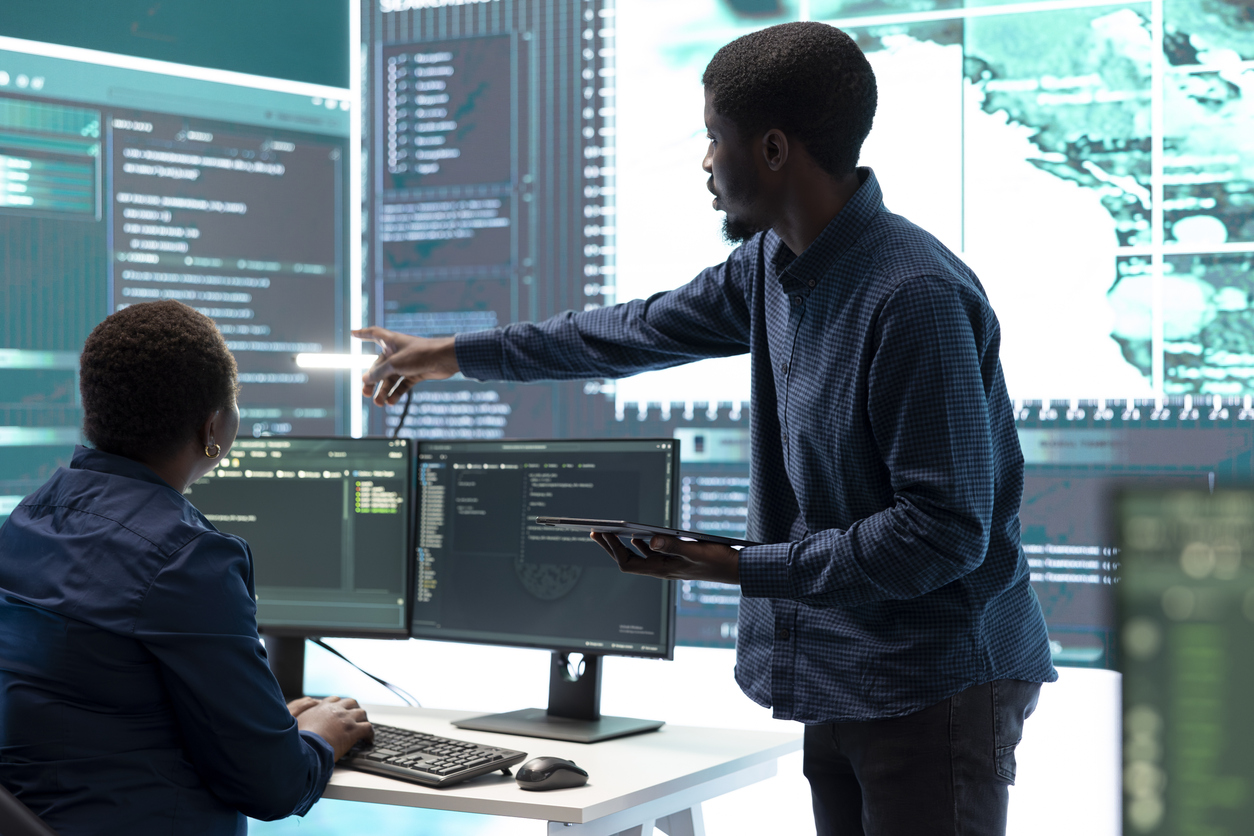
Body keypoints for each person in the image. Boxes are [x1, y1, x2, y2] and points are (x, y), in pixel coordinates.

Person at [353, 21, 1056, 836]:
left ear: (773, 149)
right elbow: (630, 332)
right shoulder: (772, 265)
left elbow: (941, 534)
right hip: (845, 668)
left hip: (935, 683)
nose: (704, 161)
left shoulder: (914, 298)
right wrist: (454, 353)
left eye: (712, 136)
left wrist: (732, 564)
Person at [0, 301, 373, 835]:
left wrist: (265, 726)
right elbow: (273, 785)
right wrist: (318, 735)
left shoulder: (28, 518)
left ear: (93, 411)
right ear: (213, 428)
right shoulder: (185, 558)